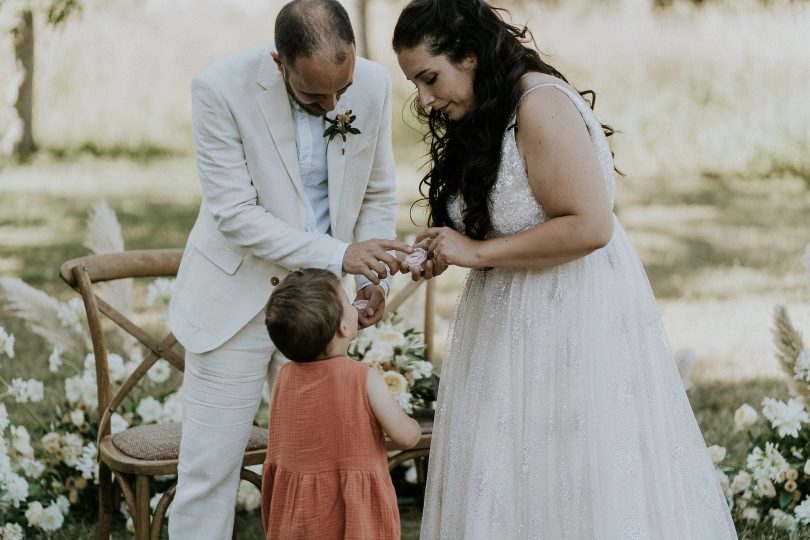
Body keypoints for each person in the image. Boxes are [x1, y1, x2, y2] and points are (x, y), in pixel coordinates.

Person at [392, 1, 737, 538]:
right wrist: (439, 253)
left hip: (568, 313)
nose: (425, 98)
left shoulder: (538, 105)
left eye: (430, 78)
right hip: (504, 324)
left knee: (572, 468)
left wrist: (478, 254)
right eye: (416, 83)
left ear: (470, 56)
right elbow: (499, 224)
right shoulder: (484, 111)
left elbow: (591, 226)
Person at [167, 1, 412, 537]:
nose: (331, 106)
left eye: (339, 92)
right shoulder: (219, 90)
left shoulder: (371, 84)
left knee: (325, 469)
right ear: (280, 64)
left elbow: (376, 189)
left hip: (319, 311)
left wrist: (370, 282)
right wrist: (337, 257)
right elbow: (235, 216)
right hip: (234, 303)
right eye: (313, 96)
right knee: (210, 474)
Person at [261, 268, 421, 539]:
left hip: (300, 512)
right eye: (348, 301)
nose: (352, 304)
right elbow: (405, 437)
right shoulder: (363, 377)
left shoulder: (285, 376)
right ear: (344, 327)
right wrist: (415, 425)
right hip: (353, 511)